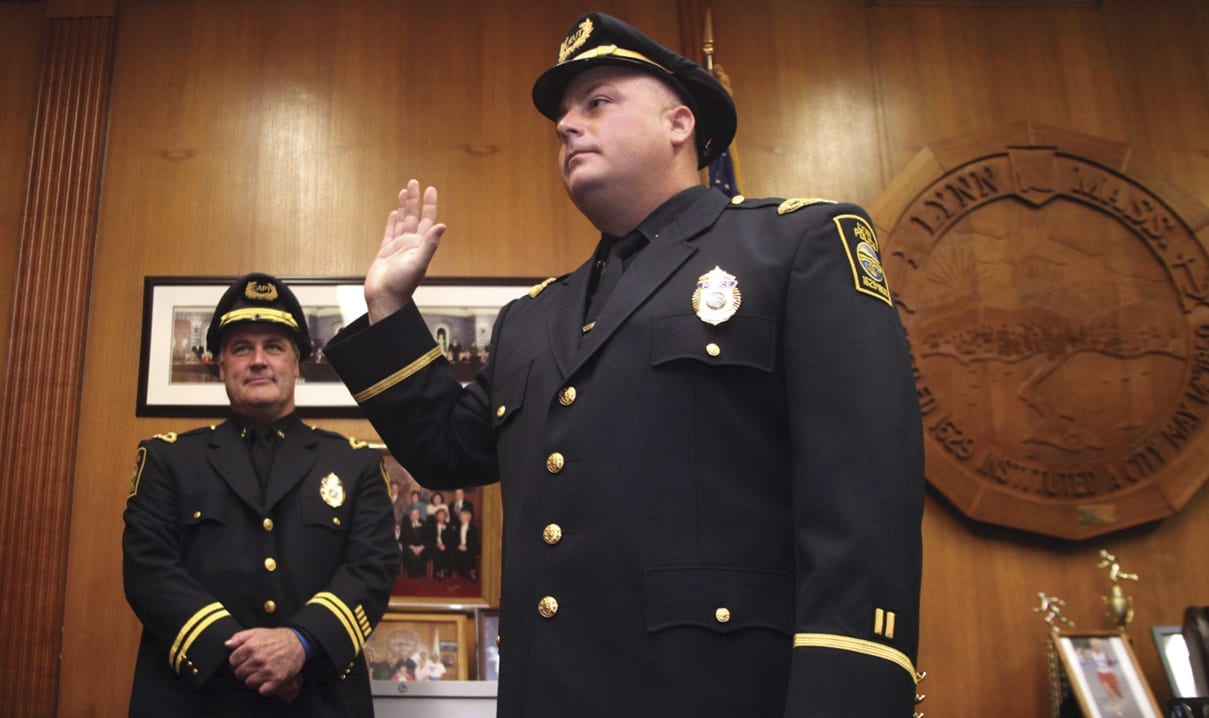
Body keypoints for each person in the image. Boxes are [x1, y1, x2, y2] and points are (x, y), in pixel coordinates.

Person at [323, 12, 925, 717]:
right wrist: (390, 309)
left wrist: (845, 695)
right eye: (562, 119)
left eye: (597, 102)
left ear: (678, 123)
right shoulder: (535, 316)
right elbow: (448, 452)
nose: (567, 126)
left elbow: (862, 495)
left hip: (721, 691)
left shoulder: (794, 246)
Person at [122, 272, 401, 717]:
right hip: (195, 700)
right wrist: (242, 658)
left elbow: (373, 569)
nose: (258, 360)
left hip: (317, 697)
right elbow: (148, 570)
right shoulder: (166, 460)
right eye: (241, 348)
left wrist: (300, 643)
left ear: (297, 364)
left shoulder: (356, 465)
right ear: (220, 366)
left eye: (274, 346)